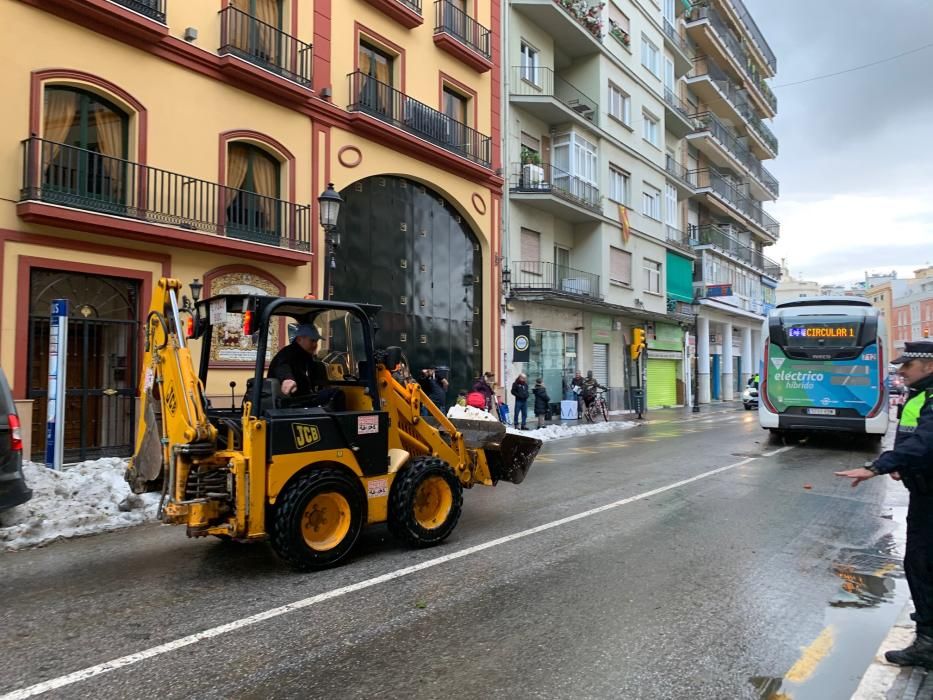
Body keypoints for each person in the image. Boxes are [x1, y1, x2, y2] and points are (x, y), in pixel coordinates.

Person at [835, 340, 933, 668]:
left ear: (929, 366)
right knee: (921, 565)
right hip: (923, 489)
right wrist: (902, 466)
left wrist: (878, 466)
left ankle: (928, 643)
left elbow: (926, 441)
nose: (901, 370)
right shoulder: (919, 394)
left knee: (922, 565)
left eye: (908, 365)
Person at [268, 323, 328, 397]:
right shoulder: (288, 353)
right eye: (312, 341)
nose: (315, 345)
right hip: (289, 402)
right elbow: (281, 365)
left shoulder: (306, 356)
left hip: (304, 398)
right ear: (299, 339)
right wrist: (287, 379)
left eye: (316, 341)